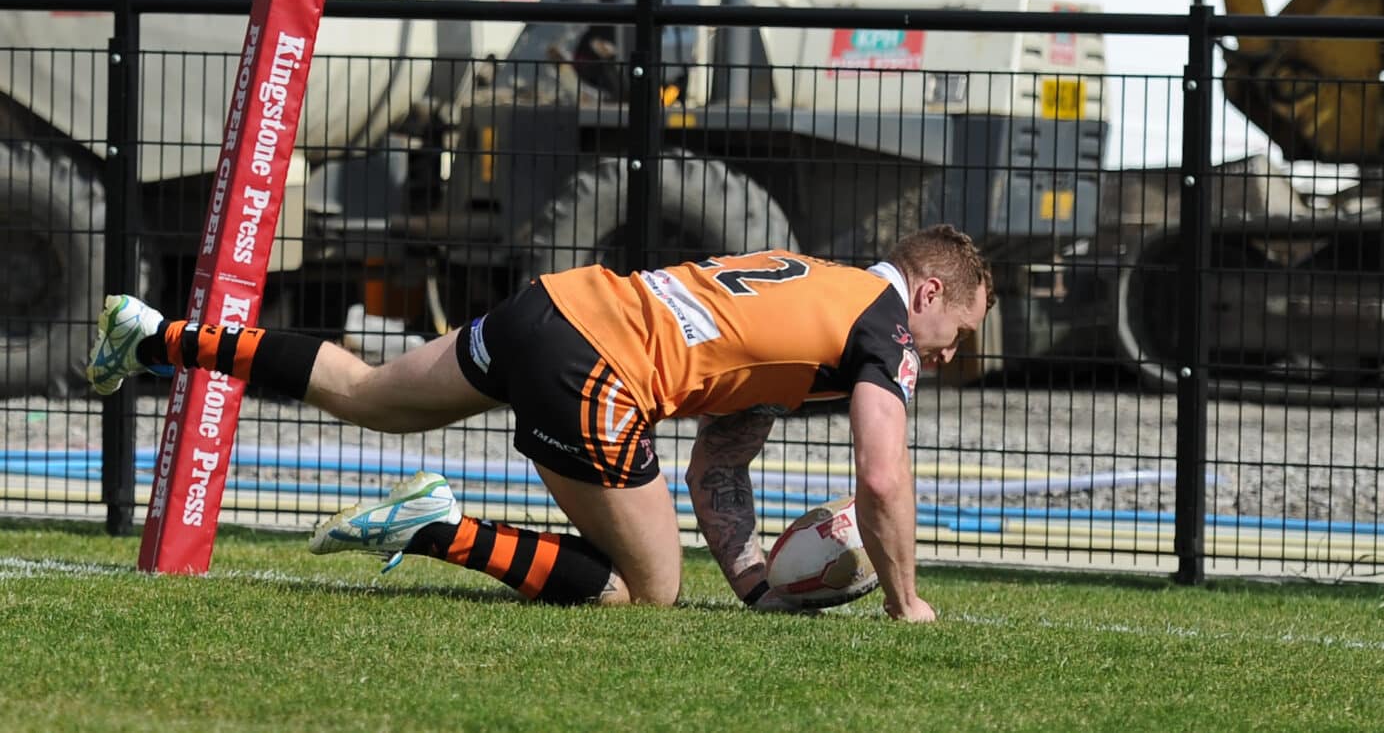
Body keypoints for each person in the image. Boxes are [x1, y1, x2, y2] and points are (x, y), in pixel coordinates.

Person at [88, 224, 993, 621]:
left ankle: (155, 336)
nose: (948, 356)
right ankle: (440, 524)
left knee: (366, 392)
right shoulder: (887, 329)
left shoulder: (816, 284)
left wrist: (755, 581)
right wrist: (906, 601)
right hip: (595, 371)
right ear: (928, 292)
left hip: (552, 308)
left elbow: (717, 465)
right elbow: (881, 475)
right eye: (958, 332)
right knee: (651, 593)